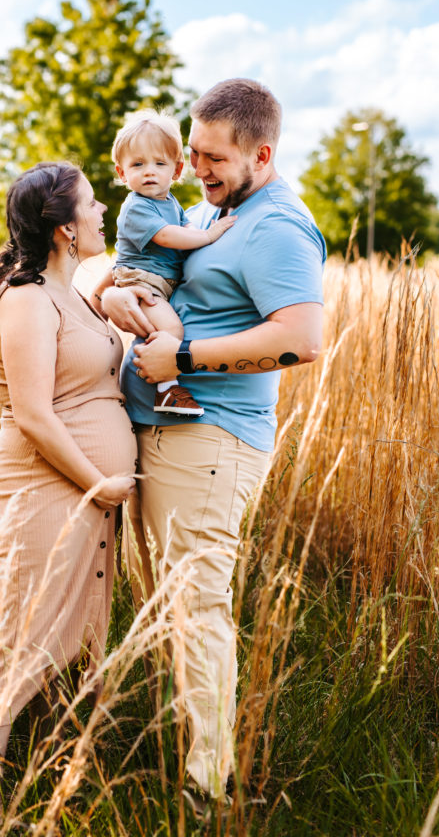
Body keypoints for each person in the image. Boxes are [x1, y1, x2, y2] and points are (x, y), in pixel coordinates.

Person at [101, 79, 326, 809]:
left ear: (261, 154)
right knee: (173, 602)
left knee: (198, 605)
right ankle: (185, 744)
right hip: (172, 435)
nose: (197, 168)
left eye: (213, 158)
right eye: (192, 153)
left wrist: (184, 360)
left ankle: (209, 785)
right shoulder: (215, 208)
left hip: (213, 439)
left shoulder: (277, 227)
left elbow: (300, 338)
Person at [0, 162, 137, 819]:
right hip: (40, 490)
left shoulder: (72, 292)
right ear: (66, 228)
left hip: (77, 494)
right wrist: (98, 482)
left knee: (60, 632)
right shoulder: (27, 298)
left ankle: (59, 758)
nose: (104, 214)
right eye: (94, 206)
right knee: (18, 631)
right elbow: (36, 414)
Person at [111, 110, 236, 416]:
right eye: (137, 164)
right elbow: (168, 236)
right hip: (140, 281)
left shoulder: (170, 203)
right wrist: (209, 236)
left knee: (165, 327)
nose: (149, 172)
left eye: (159, 163)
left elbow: (184, 227)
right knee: (171, 328)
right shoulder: (136, 207)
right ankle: (166, 389)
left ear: (177, 170)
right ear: (121, 173)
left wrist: (197, 232)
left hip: (157, 281)